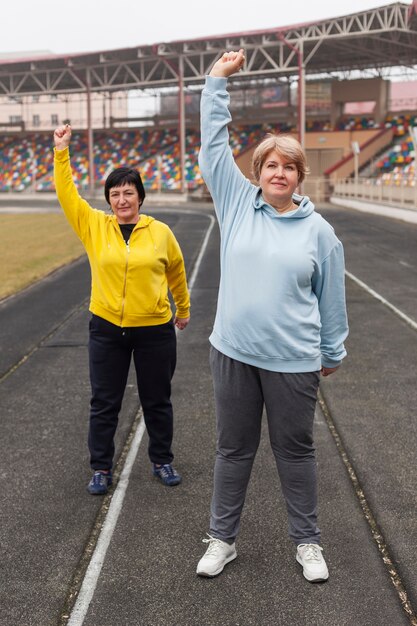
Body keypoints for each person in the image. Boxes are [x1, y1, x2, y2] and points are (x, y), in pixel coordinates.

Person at [196, 49, 348, 582]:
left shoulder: (320, 233)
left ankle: (307, 543)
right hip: (234, 352)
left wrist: (332, 352)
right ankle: (222, 539)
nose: (277, 172)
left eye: (287, 166)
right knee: (232, 449)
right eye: (269, 165)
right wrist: (216, 82)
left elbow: (332, 300)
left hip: (293, 361)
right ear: (256, 172)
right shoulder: (237, 204)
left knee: (295, 452)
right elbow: (214, 146)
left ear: (299, 176)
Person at [53, 124, 190, 495]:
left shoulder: (160, 232)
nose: (121, 200)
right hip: (107, 329)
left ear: (140, 197)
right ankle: (101, 467)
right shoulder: (94, 226)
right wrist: (61, 151)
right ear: (109, 200)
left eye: (128, 193)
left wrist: (184, 308)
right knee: (104, 402)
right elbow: (67, 195)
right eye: (115, 194)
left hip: (155, 331)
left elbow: (176, 271)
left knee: (157, 400)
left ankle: (162, 460)